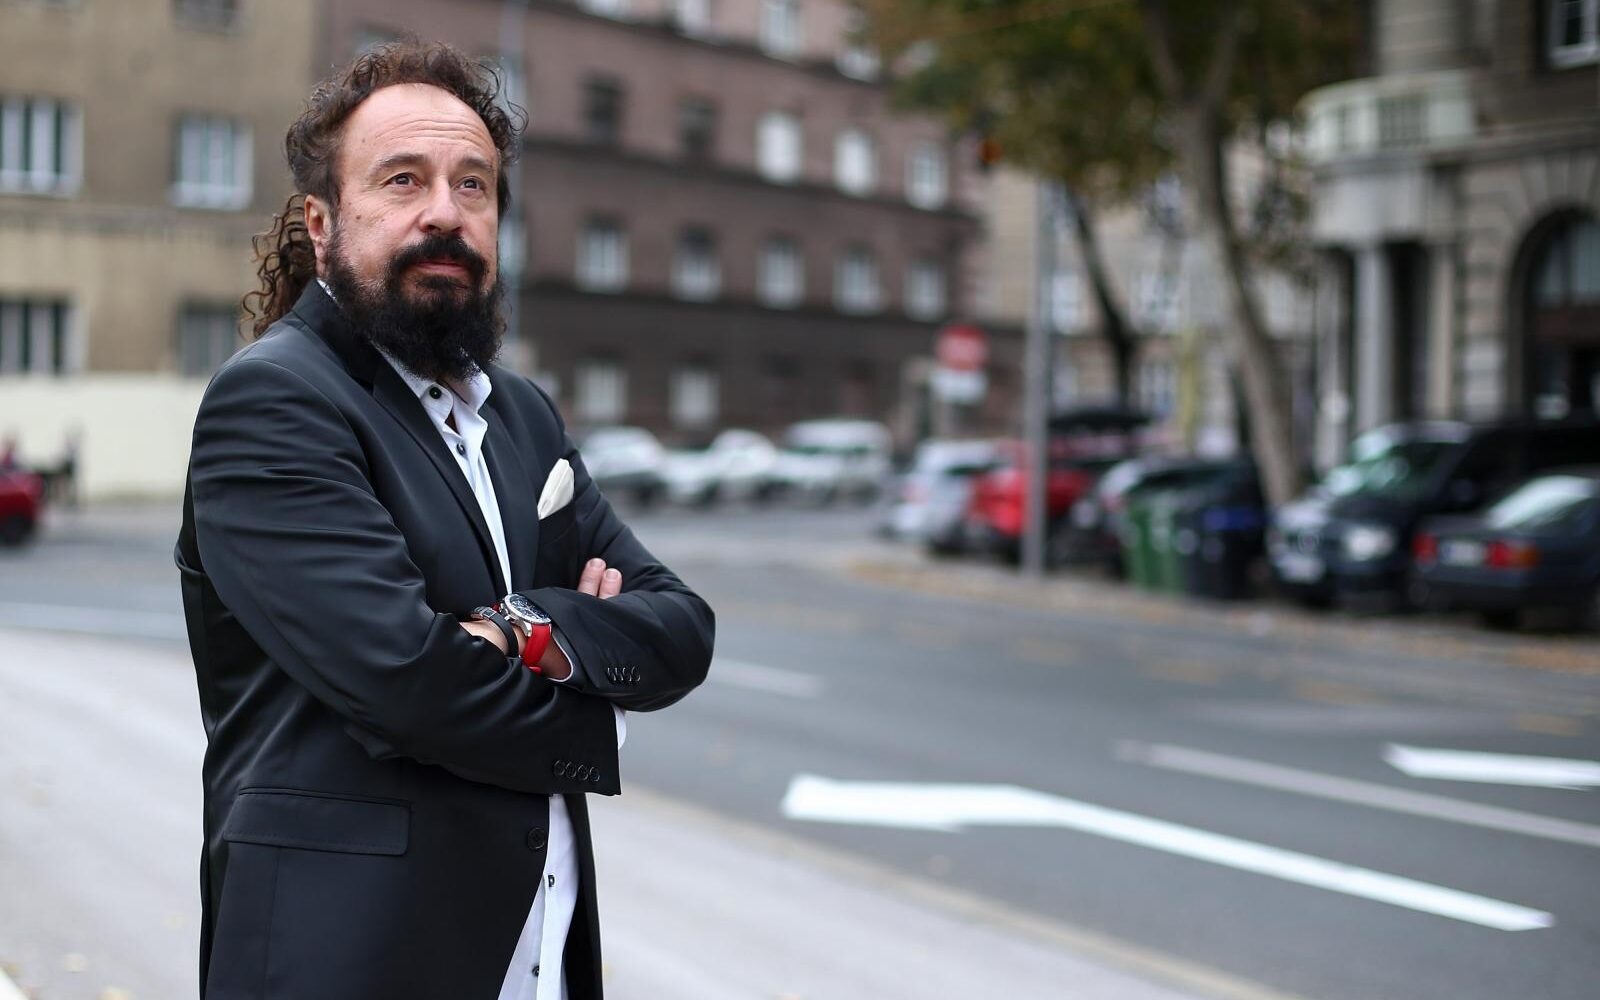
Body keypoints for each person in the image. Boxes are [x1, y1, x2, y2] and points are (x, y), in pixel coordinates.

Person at [174, 41, 714, 1000]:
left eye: (474, 184)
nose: (445, 213)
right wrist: (594, 702)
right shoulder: (278, 400)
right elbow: (407, 680)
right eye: (402, 180)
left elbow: (679, 625)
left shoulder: (522, 413)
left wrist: (520, 628)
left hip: (532, 957)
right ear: (322, 222)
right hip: (347, 960)